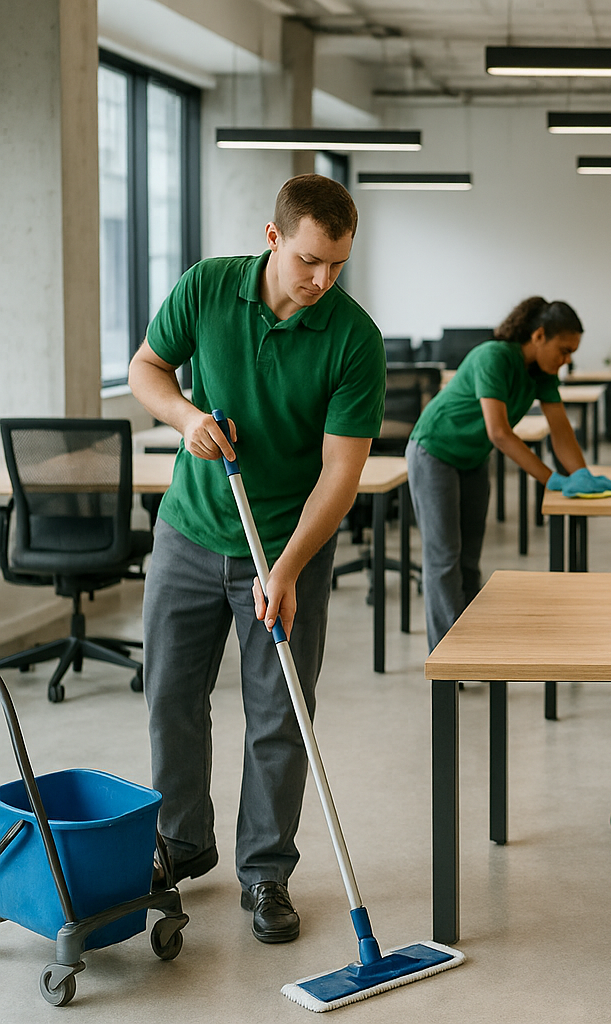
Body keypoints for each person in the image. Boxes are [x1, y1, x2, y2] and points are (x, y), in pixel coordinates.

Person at [128, 174, 386, 944]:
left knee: (281, 716)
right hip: (187, 531)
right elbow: (147, 367)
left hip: (284, 546)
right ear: (273, 238)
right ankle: (181, 841)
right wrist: (184, 416)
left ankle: (265, 871)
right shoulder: (207, 288)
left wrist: (287, 568)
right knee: (172, 696)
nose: (322, 280)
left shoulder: (353, 338)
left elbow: (341, 476)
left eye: (338, 264)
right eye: (310, 260)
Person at [406, 296, 611, 652]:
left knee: (469, 559)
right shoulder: (494, 356)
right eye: (564, 349)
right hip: (434, 451)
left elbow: (561, 430)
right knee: (444, 559)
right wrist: (552, 480)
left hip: (473, 458)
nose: (567, 359)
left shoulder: (542, 374)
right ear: (538, 336)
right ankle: (447, 656)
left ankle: (468, 645)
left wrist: (582, 474)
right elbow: (500, 432)